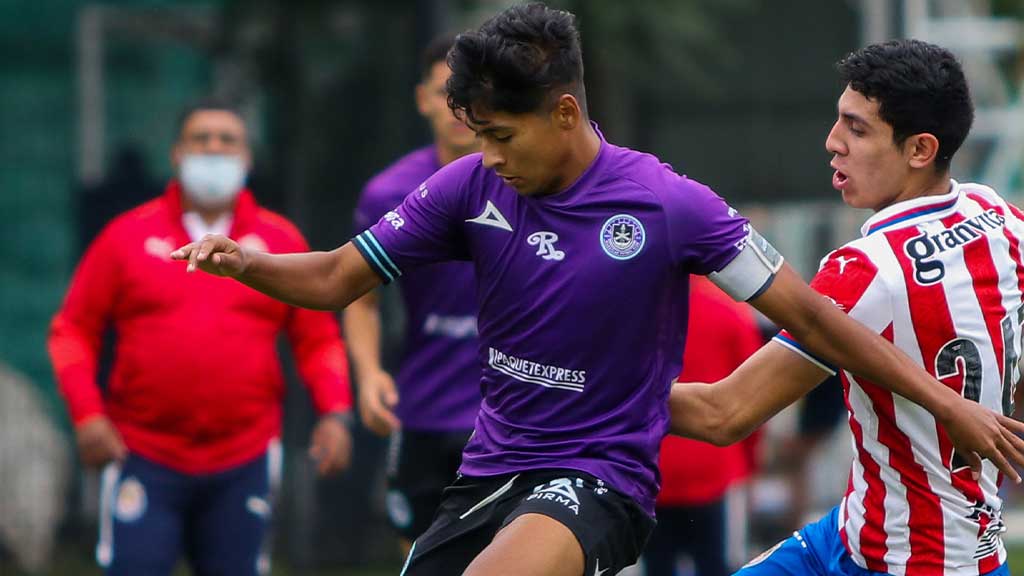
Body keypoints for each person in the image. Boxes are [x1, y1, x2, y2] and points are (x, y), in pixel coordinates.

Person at [172, 7, 1024, 575]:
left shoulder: (673, 206)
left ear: (568, 113)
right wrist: (248, 262)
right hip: (501, 472)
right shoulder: (1001, 216)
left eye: (503, 135)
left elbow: (783, 350)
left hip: (610, 479)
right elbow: (331, 276)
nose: (491, 156)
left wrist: (947, 407)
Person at [670, 39, 1024, 576]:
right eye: (840, 121)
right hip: (856, 534)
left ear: (920, 150)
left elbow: (724, 414)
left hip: (912, 562)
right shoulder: (999, 216)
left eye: (857, 130)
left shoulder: (866, 271)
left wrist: (566, 390)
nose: (833, 143)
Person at [48, 100, 354, 576]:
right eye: (201, 139)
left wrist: (334, 411)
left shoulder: (280, 240)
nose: (214, 149)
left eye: (227, 140)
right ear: (176, 153)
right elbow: (72, 331)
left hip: (244, 457)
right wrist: (87, 415)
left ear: (247, 158)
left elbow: (318, 339)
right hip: (143, 453)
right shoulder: (126, 236)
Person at [344, 35, 481, 554]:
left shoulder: (534, 182)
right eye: (446, 92)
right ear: (422, 99)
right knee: (422, 557)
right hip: (423, 407)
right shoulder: (388, 193)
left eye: (470, 92)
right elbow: (359, 293)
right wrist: (368, 372)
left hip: (515, 412)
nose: (459, 107)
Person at [643, 276, 764, 576]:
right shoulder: (730, 311)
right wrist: (750, 464)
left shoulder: (633, 312)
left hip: (648, 468)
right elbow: (757, 399)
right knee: (717, 566)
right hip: (715, 469)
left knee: (658, 567)